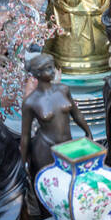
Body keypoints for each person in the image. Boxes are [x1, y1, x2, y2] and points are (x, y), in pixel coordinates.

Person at [19, 52, 93, 180]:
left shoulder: (63, 89)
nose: (53, 71)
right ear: (37, 73)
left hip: (67, 144)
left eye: (52, 67)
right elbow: (25, 136)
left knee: (69, 180)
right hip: (46, 148)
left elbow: (76, 113)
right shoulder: (31, 101)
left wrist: (88, 132)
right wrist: (22, 163)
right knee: (49, 183)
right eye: (48, 68)